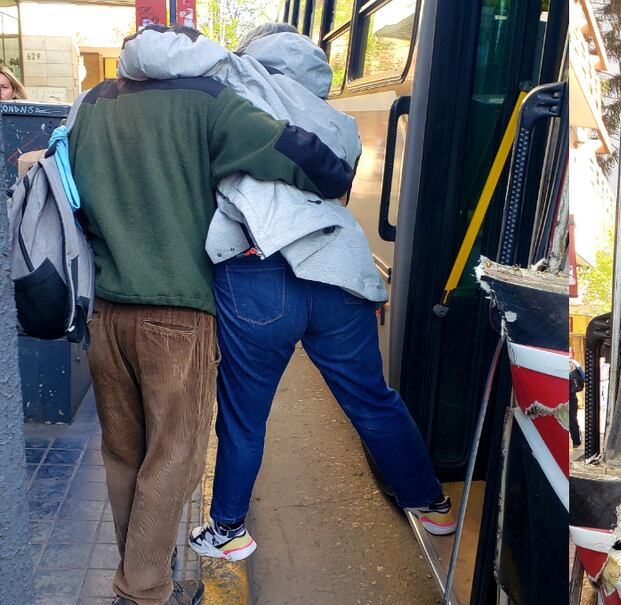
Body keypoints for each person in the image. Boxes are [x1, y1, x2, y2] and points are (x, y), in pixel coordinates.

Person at [115, 23, 456, 565]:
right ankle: (432, 504)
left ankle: (228, 528)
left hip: (258, 269)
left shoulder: (234, 76)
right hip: (340, 270)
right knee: (372, 399)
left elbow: (149, 55)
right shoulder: (337, 122)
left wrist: (150, 41)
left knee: (245, 415)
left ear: (256, 54)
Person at [68, 24, 355, 605]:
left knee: (123, 452)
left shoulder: (94, 103)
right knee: (173, 455)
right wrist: (335, 174)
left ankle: (140, 568)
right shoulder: (207, 101)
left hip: (104, 314)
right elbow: (297, 156)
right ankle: (143, 595)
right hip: (177, 316)